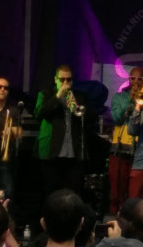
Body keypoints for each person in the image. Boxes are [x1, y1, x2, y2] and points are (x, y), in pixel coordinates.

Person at [34, 66, 91, 195]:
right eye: (62, 79)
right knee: (51, 190)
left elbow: (91, 117)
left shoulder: (80, 96)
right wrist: (58, 96)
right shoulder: (45, 94)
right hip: (51, 151)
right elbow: (39, 114)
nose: (65, 83)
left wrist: (77, 107)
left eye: (69, 80)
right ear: (56, 79)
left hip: (73, 152)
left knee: (73, 191)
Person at [109, 68, 143, 215]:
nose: (136, 82)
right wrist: (130, 100)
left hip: (140, 149)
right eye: (133, 78)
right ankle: (115, 216)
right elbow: (117, 117)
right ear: (128, 80)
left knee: (137, 190)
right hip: (120, 148)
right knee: (117, 187)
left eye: (139, 79)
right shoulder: (119, 97)